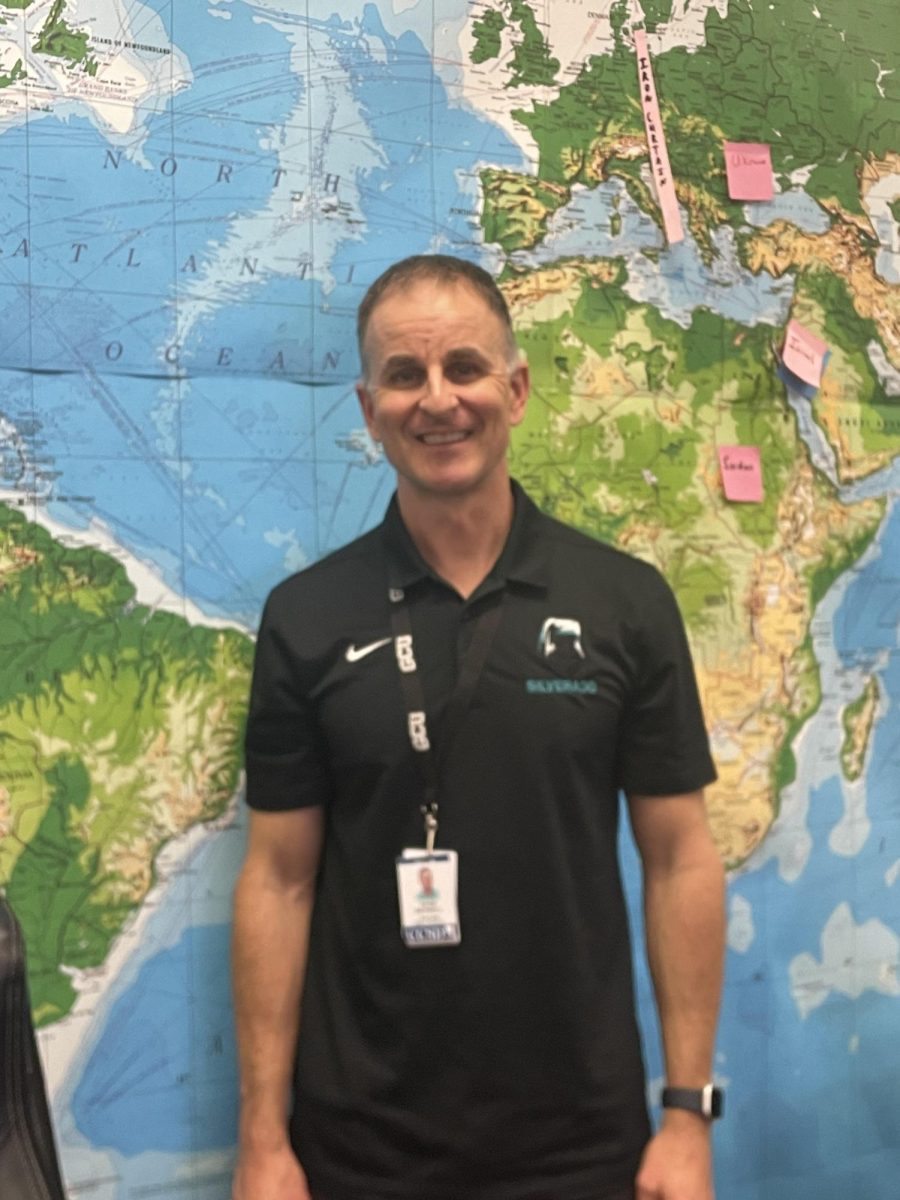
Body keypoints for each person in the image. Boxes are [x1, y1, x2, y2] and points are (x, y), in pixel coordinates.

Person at [232, 255, 726, 1200]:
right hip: (358, 1145)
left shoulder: (624, 603)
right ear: (369, 406)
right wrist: (263, 1138)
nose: (438, 400)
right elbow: (280, 880)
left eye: (464, 367)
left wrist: (686, 1113)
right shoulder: (306, 616)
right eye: (404, 375)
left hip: (584, 1143)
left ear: (517, 387)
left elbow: (680, 860)